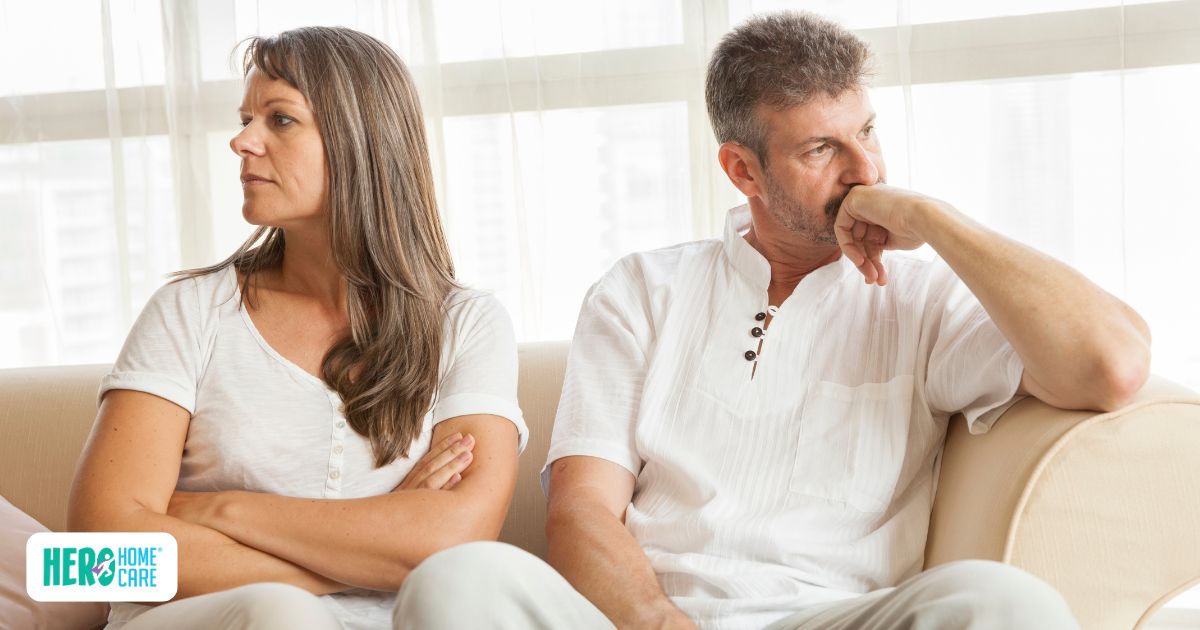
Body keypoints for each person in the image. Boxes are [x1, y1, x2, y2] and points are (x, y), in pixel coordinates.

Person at [543, 11, 1151, 630]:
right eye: (821, 148)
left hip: (832, 620)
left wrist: (937, 221)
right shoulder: (642, 290)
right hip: (638, 620)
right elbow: (580, 510)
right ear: (742, 170)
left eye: (867, 132)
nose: (865, 171)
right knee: (468, 575)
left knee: (1006, 601)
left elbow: (1113, 366)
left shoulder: (923, 300)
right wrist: (660, 623)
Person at [67, 26, 606, 630]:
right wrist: (376, 543)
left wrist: (218, 510)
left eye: (280, 120)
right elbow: (93, 562)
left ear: (360, 142)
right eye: (247, 118)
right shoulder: (188, 312)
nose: (242, 141)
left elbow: (453, 540)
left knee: (470, 577)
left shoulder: (466, 323)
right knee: (281, 611)